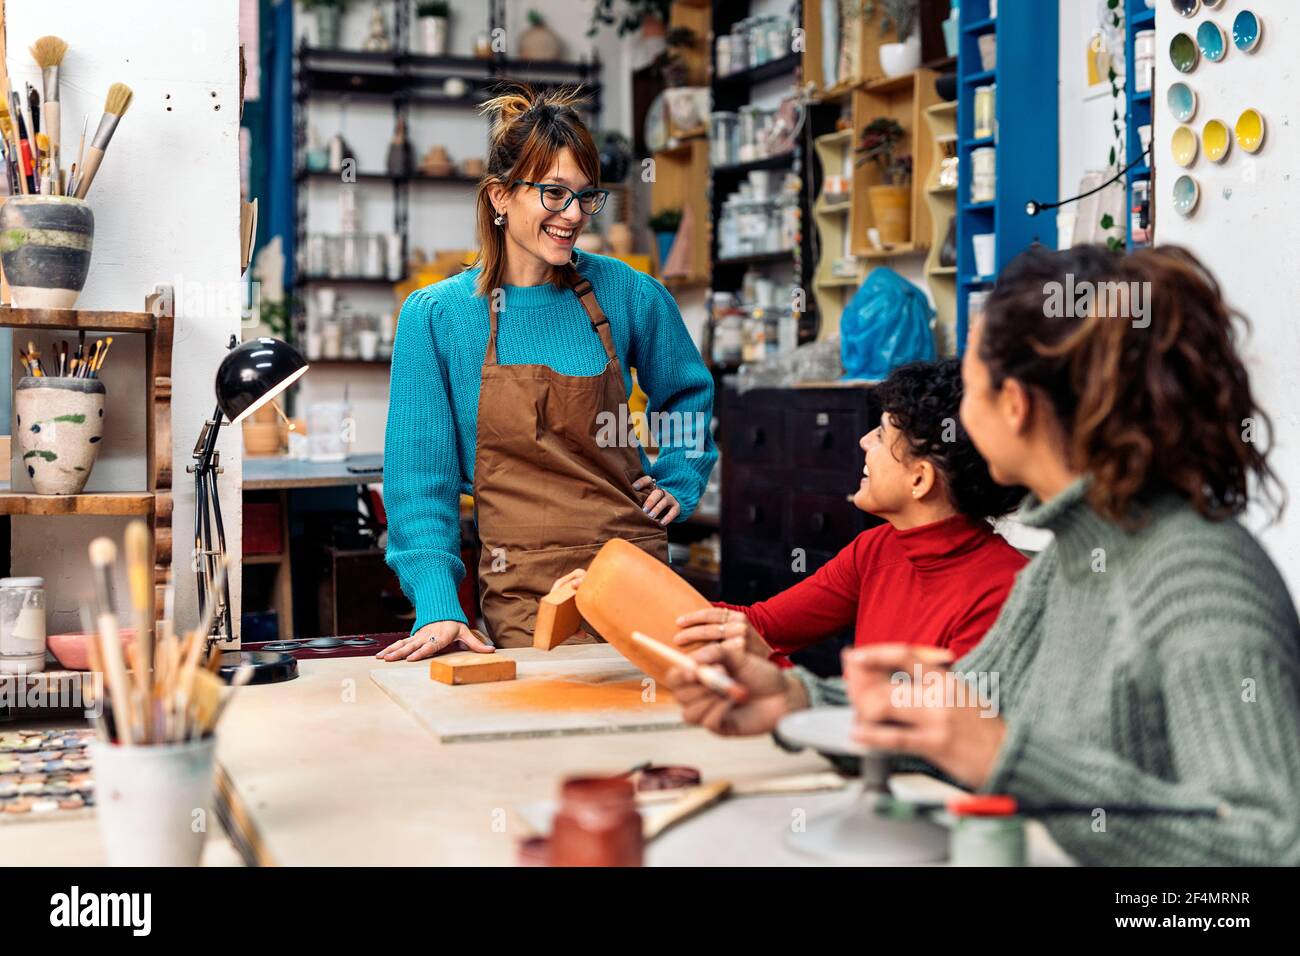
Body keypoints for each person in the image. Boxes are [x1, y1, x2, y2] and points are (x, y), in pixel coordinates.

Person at [666, 245, 1300, 866]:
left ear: (1015, 405)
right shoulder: (1069, 562)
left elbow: (1271, 845)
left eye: (969, 388)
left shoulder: (1203, 577)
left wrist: (1004, 758)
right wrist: (794, 700)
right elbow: (953, 714)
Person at [379, 85, 716, 660]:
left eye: (586, 197)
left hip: (632, 571)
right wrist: (438, 604)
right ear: (499, 196)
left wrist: (680, 478)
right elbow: (419, 485)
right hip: (522, 584)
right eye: (554, 194)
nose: (574, 216)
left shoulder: (628, 292)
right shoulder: (438, 316)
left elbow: (687, 391)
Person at [669, 359, 1027, 662]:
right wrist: (641, 601)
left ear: (920, 479)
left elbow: (932, 727)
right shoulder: (877, 548)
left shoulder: (1006, 593)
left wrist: (781, 680)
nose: (863, 440)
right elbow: (762, 626)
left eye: (883, 435)